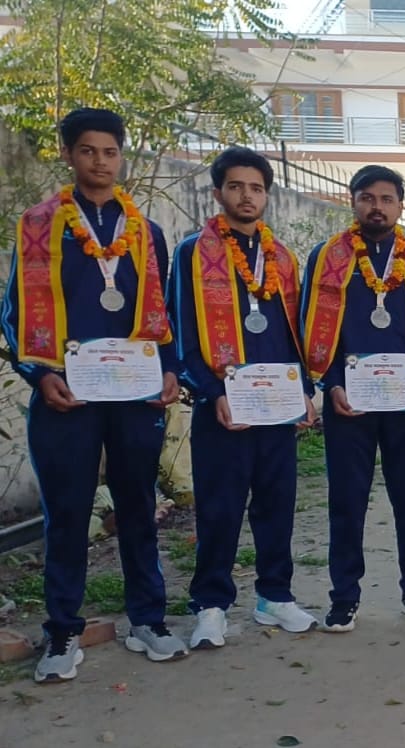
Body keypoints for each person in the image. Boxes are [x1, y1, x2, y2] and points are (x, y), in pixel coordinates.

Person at [3, 108, 185, 682]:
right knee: (67, 513)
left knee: (137, 506)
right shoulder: (39, 224)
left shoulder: (146, 232)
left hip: (134, 393)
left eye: (109, 152)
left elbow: (166, 313)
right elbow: (14, 310)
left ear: (121, 156)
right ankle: (63, 630)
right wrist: (39, 375)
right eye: (87, 150)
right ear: (68, 154)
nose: (100, 162)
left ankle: (147, 619)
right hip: (67, 392)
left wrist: (170, 370)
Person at [169, 146, 318, 651]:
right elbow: (180, 329)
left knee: (277, 504)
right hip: (223, 406)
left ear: (267, 195)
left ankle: (274, 594)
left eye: (256, 188)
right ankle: (211, 604)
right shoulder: (193, 253)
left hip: (276, 404)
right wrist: (210, 391)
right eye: (236, 186)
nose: (246, 196)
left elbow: (295, 333)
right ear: (218, 193)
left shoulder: (282, 259)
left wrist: (304, 390)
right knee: (220, 508)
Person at [299, 165, 405, 632]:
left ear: (400, 205)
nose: (376, 207)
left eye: (386, 198)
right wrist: (331, 384)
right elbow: (311, 323)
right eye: (367, 198)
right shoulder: (328, 257)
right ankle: (344, 596)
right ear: (353, 201)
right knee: (347, 500)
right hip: (350, 402)